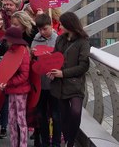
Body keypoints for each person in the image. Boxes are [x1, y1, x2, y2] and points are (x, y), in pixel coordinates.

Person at [48, 12, 90, 147]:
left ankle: (71, 141)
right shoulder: (60, 39)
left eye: (62, 23)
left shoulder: (83, 42)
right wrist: (51, 71)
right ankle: (67, 141)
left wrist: (63, 73)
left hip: (74, 84)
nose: (59, 25)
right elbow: (55, 57)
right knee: (64, 115)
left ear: (69, 25)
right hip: (59, 84)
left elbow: (83, 66)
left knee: (76, 112)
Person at [31, 14, 60, 147]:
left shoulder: (58, 40)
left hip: (55, 84)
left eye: (45, 29)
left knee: (55, 115)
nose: (42, 32)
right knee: (41, 115)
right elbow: (33, 61)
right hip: (40, 84)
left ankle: (56, 143)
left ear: (51, 26)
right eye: (40, 29)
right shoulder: (36, 40)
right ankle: (45, 142)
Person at [0, 27, 31, 147]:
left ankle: (22, 144)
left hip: (20, 91)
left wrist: (8, 82)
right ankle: (14, 144)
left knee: (21, 120)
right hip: (13, 90)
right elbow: (6, 67)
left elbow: (24, 75)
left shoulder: (22, 52)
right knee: (12, 120)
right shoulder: (12, 51)